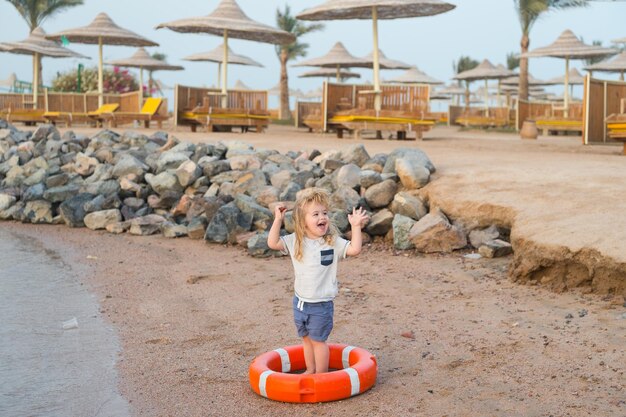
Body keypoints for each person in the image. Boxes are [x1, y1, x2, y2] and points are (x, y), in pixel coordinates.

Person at [267, 188, 369, 374]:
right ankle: (310, 370)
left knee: (318, 341)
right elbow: (273, 243)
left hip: (321, 305)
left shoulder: (332, 242)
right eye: (315, 214)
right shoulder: (295, 241)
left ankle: (321, 375)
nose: (322, 217)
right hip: (300, 303)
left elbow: (354, 249)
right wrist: (277, 220)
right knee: (306, 339)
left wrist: (355, 227)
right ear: (302, 221)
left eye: (324, 213)